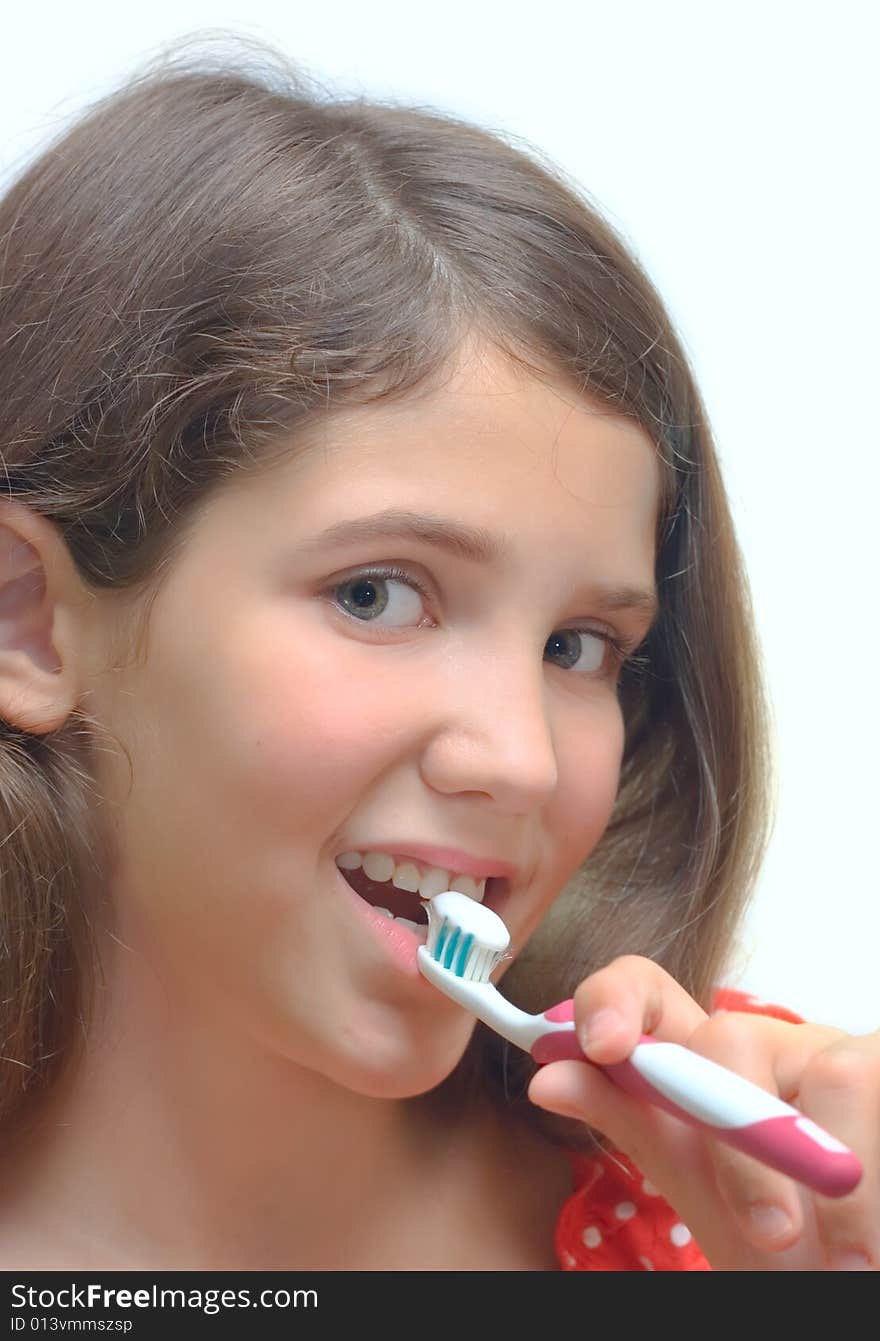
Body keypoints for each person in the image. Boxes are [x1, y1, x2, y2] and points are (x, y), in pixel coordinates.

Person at [0, 35, 875, 1273]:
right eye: (376, 594)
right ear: (27, 620)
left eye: (580, 646)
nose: (519, 760)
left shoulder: (752, 1194)